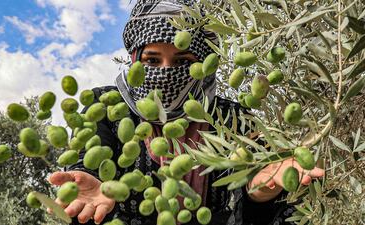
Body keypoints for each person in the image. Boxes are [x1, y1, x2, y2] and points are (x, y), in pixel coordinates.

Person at [47, 1, 325, 224]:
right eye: (152, 60)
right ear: (134, 60)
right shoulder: (106, 106)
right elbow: (88, 163)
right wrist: (85, 179)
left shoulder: (235, 120)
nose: (166, 72)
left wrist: (261, 193)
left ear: (205, 65)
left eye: (183, 61)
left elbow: (263, 203)